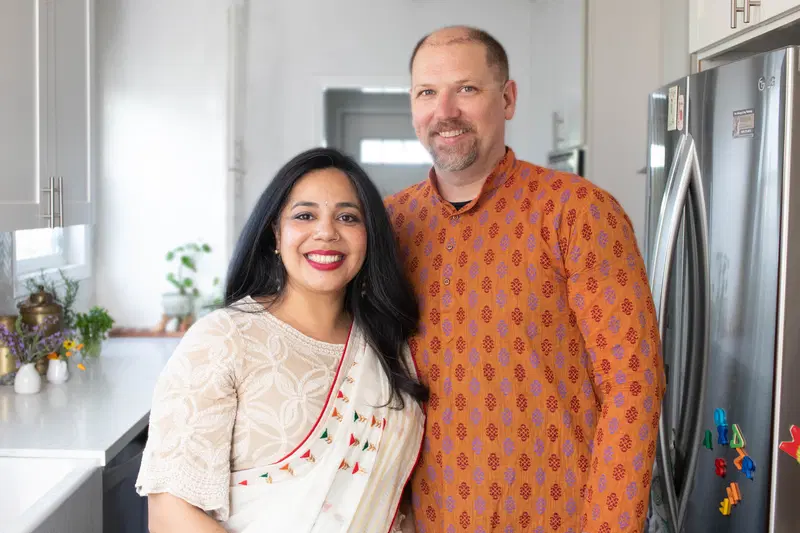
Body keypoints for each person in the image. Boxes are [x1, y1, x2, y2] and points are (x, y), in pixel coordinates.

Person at [384, 26, 665, 533]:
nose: (445, 111)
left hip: (559, 517)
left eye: (467, 88)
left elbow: (633, 384)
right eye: (427, 92)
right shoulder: (390, 225)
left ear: (508, 99)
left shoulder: (577, 211)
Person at [136, 147, 427, 533]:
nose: (326, 232)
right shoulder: (224, 340)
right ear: (276, 232)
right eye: (305, 215)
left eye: (347, 217)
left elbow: (393, 502)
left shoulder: (387, 345)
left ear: (368, 237)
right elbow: (170, 514)